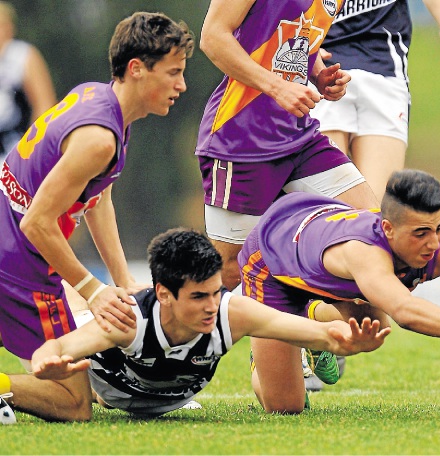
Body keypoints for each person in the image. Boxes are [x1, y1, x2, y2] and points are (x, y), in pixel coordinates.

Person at [239, 169, 440, 414]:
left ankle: (312, 321)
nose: (432, 243)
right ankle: (289, 331)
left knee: (372, 326)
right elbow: (405, 312)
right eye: (420, 233)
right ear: (388, 229)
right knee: (285, 407)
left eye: (437, 228)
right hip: (272, 259)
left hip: (319, 249)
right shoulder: (365, 253)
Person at [0, 12, 194, 422]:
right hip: (17, 260)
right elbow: (36, 223)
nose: (182, 85)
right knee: (74, 403)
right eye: (174, 72)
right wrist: (93, 290)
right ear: (137, 69)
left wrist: (121, 280)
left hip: (9, 243)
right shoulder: (100, 138)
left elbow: (98, 199)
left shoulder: (99, 100)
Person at [24, 228, 389, 420]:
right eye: (198, 297)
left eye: (215, 292)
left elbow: (323, 335)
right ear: (164, 294)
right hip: (104, 382)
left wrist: (350, 342)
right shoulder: (128, 320)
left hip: (146, 397)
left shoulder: (231, 313)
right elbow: (59, 346)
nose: (211, 306)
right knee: (60, 296)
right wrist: (45, 361)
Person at [196, 0, 379, 292]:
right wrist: (277, 87)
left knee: (371, 230)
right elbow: (212, 38)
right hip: (240, 139)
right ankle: (154, 315)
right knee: (227, 273)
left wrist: (319, 74)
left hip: (300, 136)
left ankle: (317, 313)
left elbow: (298, 32)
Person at [310, 0, 440, 199]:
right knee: (331, 205)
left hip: (385, 69)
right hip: (323, 73)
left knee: (379, 208)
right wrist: (302, 43)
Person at [0, 1, 56, 161]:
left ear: (9, 28)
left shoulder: (22, 56)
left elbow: (44, 107)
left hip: (14, 145)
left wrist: (32, 148)